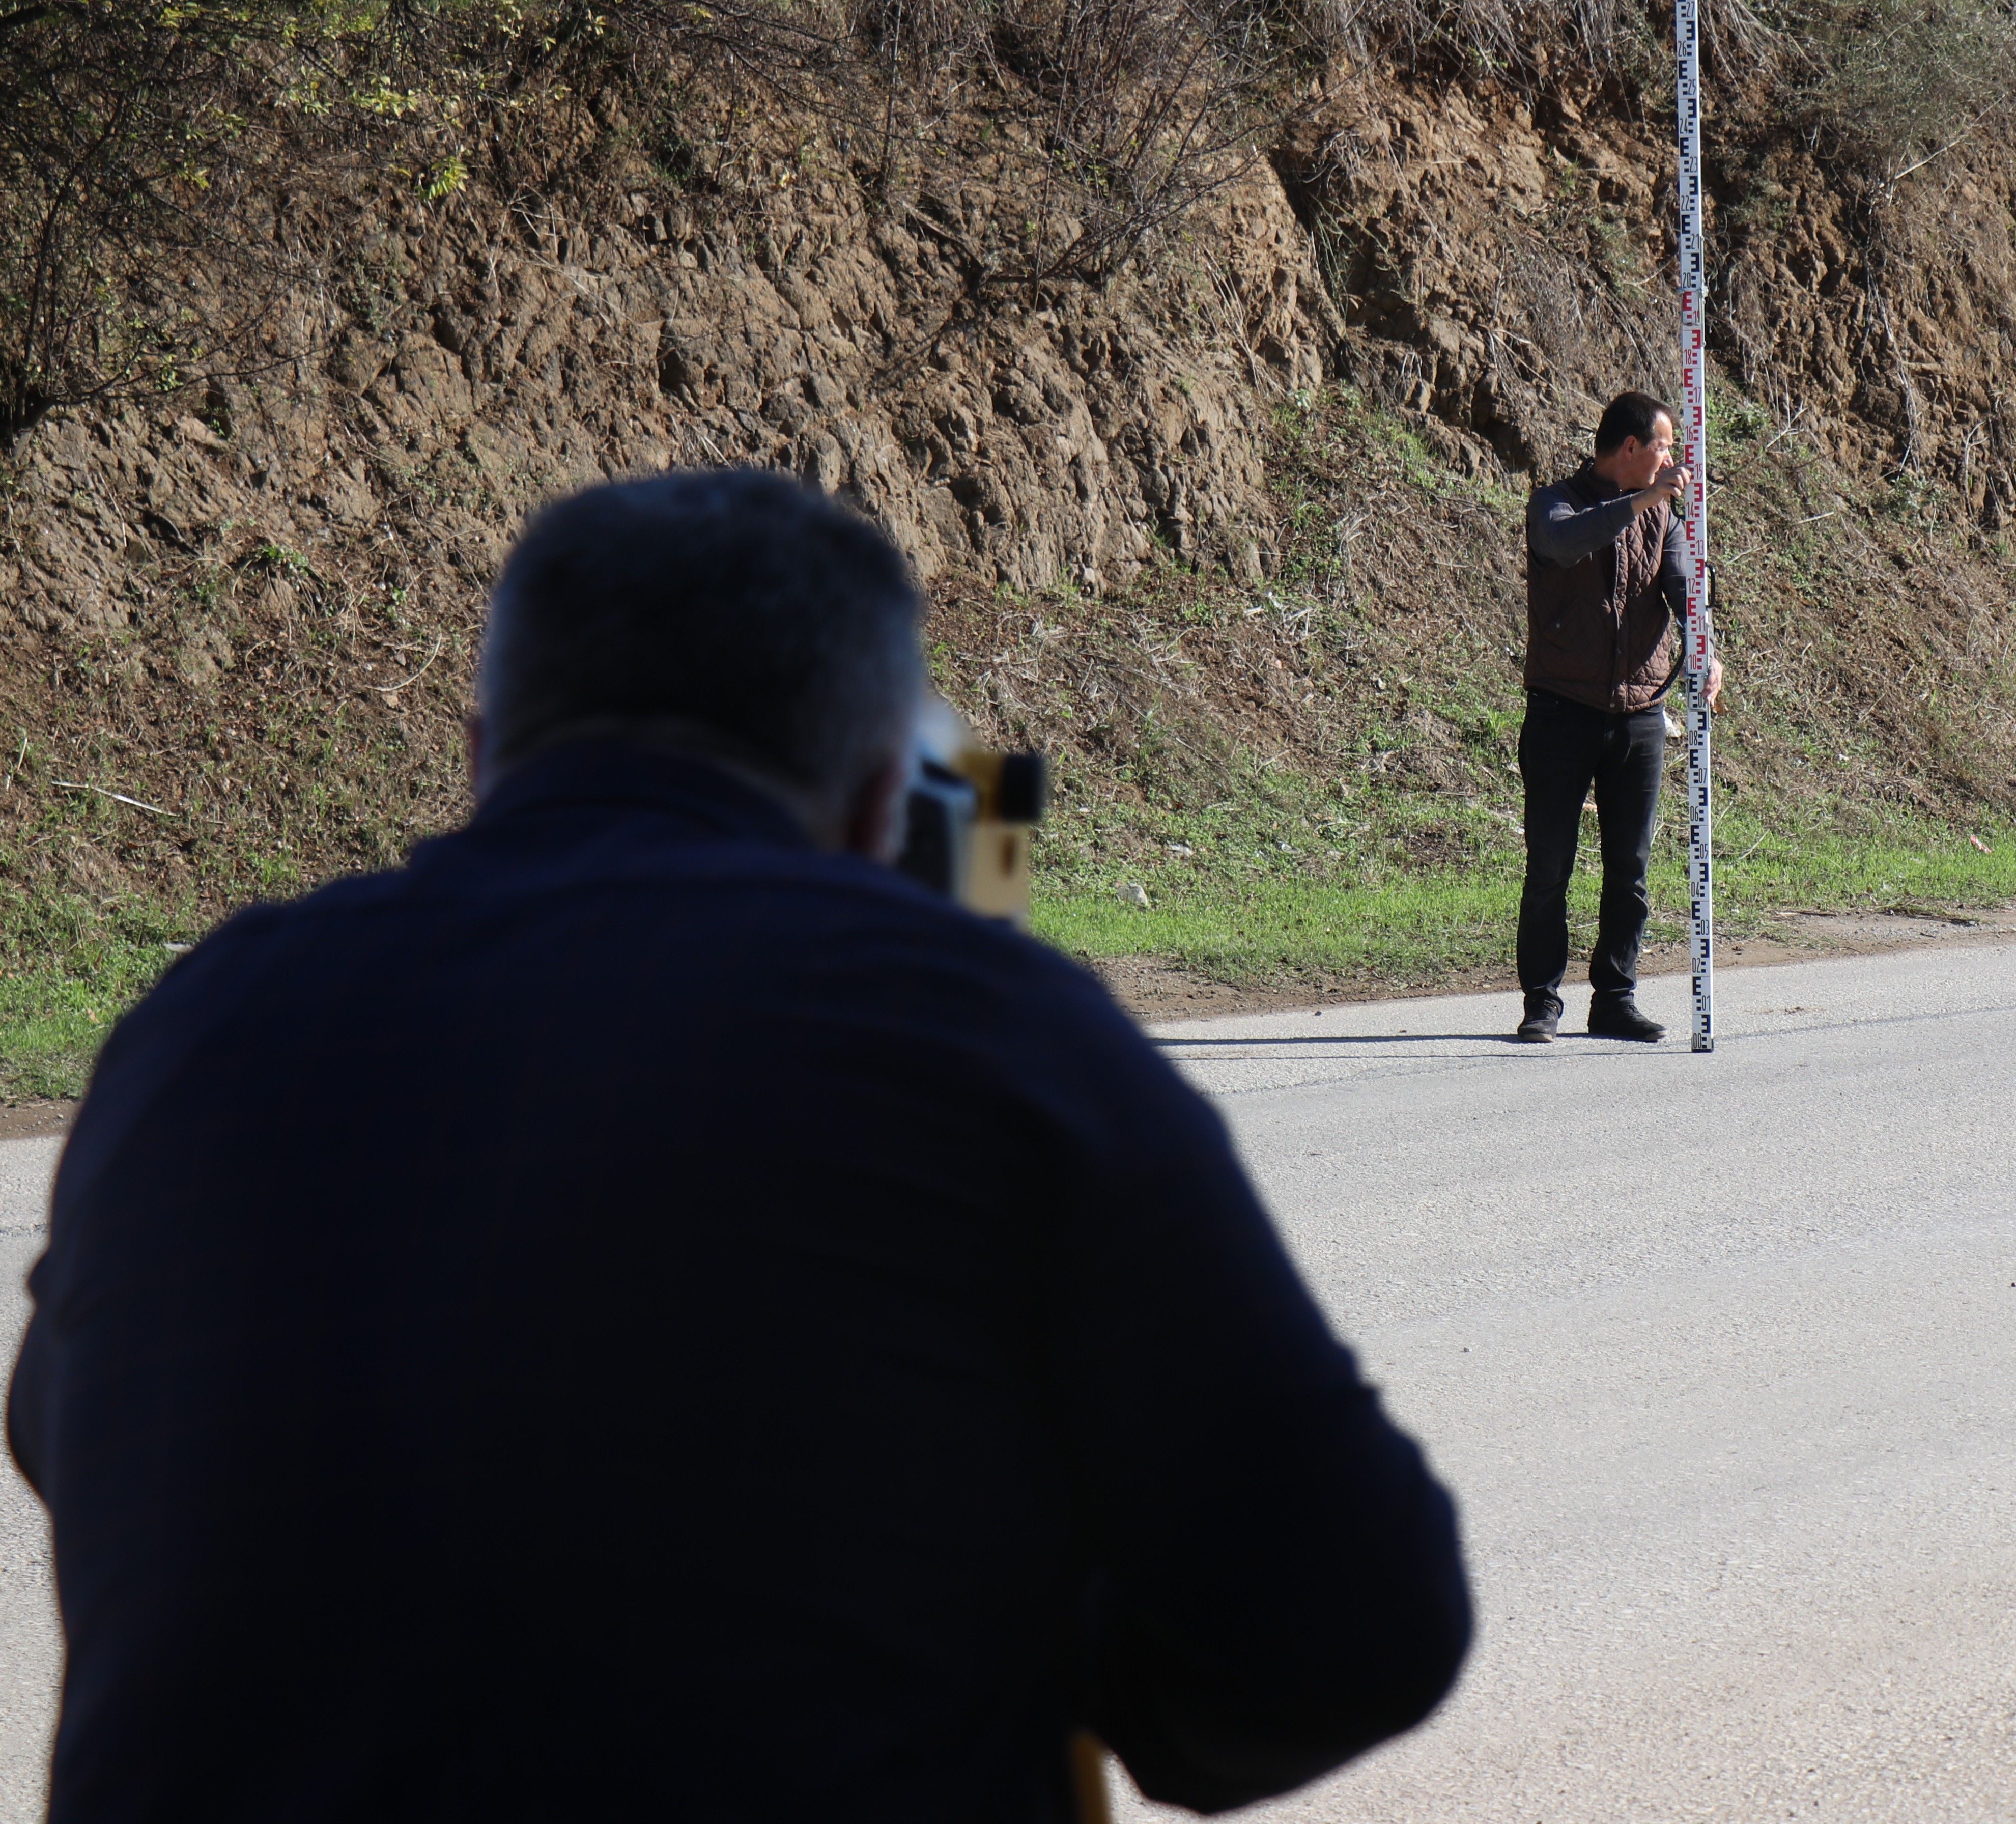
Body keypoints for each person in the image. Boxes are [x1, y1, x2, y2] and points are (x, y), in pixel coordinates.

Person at [8, 470, 1470, 1822]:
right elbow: (1360, 1626)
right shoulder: (986, 1033)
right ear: (891, 801)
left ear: (479, 755)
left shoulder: (193, 1028)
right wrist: (1048, 1646)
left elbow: (56, 1420)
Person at [1515, 390, 1724, 1045]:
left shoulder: (1666, 517)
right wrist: (1643, 501)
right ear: (1630, 449)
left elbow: (1686, 588)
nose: (1672, 461)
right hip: (1561, 713)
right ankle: (1542, 1002)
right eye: (1663, 446)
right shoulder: (1556, 503)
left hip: (1640, 716)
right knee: (1551, 866)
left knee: (1629, 870)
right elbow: (1565, 542)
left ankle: (1614, 999)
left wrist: (1706, 650)